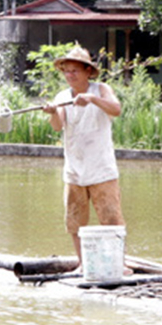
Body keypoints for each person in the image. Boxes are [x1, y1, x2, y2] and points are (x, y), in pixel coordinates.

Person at [41, 46, 125, 262]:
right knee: (75, 221)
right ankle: (82, 263)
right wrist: (52, 113)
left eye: (75, 71)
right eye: (66, 71)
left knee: (111, 219)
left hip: (101, 169)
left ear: (88, 71)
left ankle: (118, 264)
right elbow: (57, 126)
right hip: (74, 170)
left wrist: (91, 99)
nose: (70, 75)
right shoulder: (62, 96)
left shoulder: (100, 90)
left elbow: (116, 109)